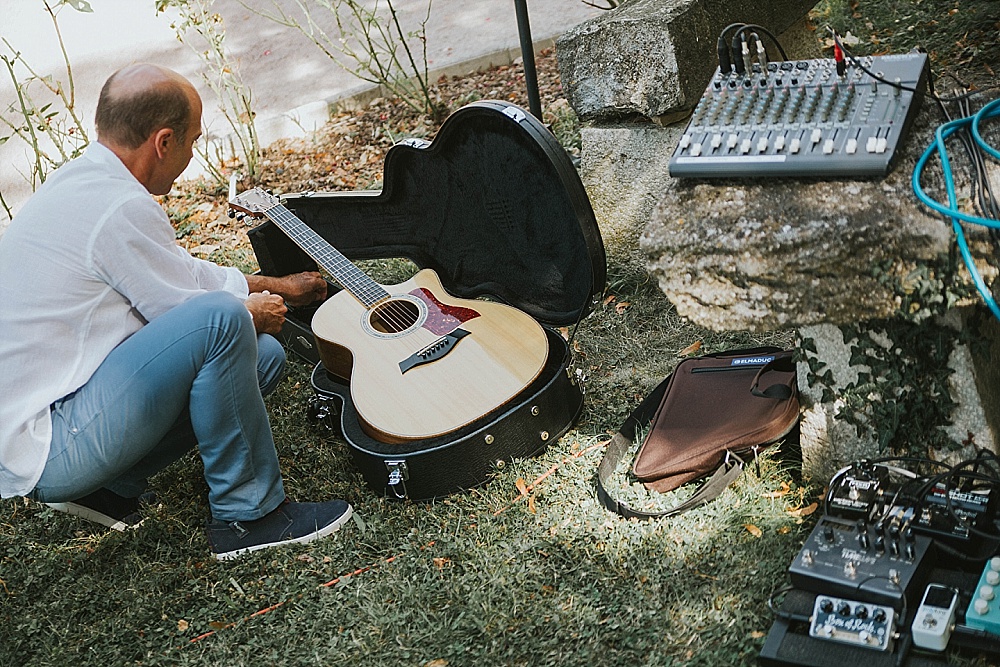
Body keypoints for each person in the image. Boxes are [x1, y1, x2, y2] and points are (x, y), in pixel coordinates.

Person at [0, 63, 352, 560]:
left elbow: (180, 273)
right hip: (50, 444)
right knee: (227, 323)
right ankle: (249, 515)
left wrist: (276, 286)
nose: (193, 153)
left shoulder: (87, 182)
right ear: (163, 142)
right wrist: (252, 310)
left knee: (264, 356)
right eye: (192, 140)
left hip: (54, 420)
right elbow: (201, 316)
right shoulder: (118, 206)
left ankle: (108, 488)